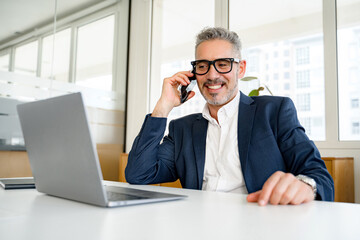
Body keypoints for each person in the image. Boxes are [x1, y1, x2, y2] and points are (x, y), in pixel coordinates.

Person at [125, 27, 334, 205]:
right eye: (202, 66)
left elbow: (319, 176)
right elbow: (138, 174)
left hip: (258, 223)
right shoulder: (182, 129)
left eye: (223, 63)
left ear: (240, 69)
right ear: (194, 73)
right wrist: (163, 108)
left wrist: (305, 187)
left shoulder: (274, 112)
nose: (212, 75)